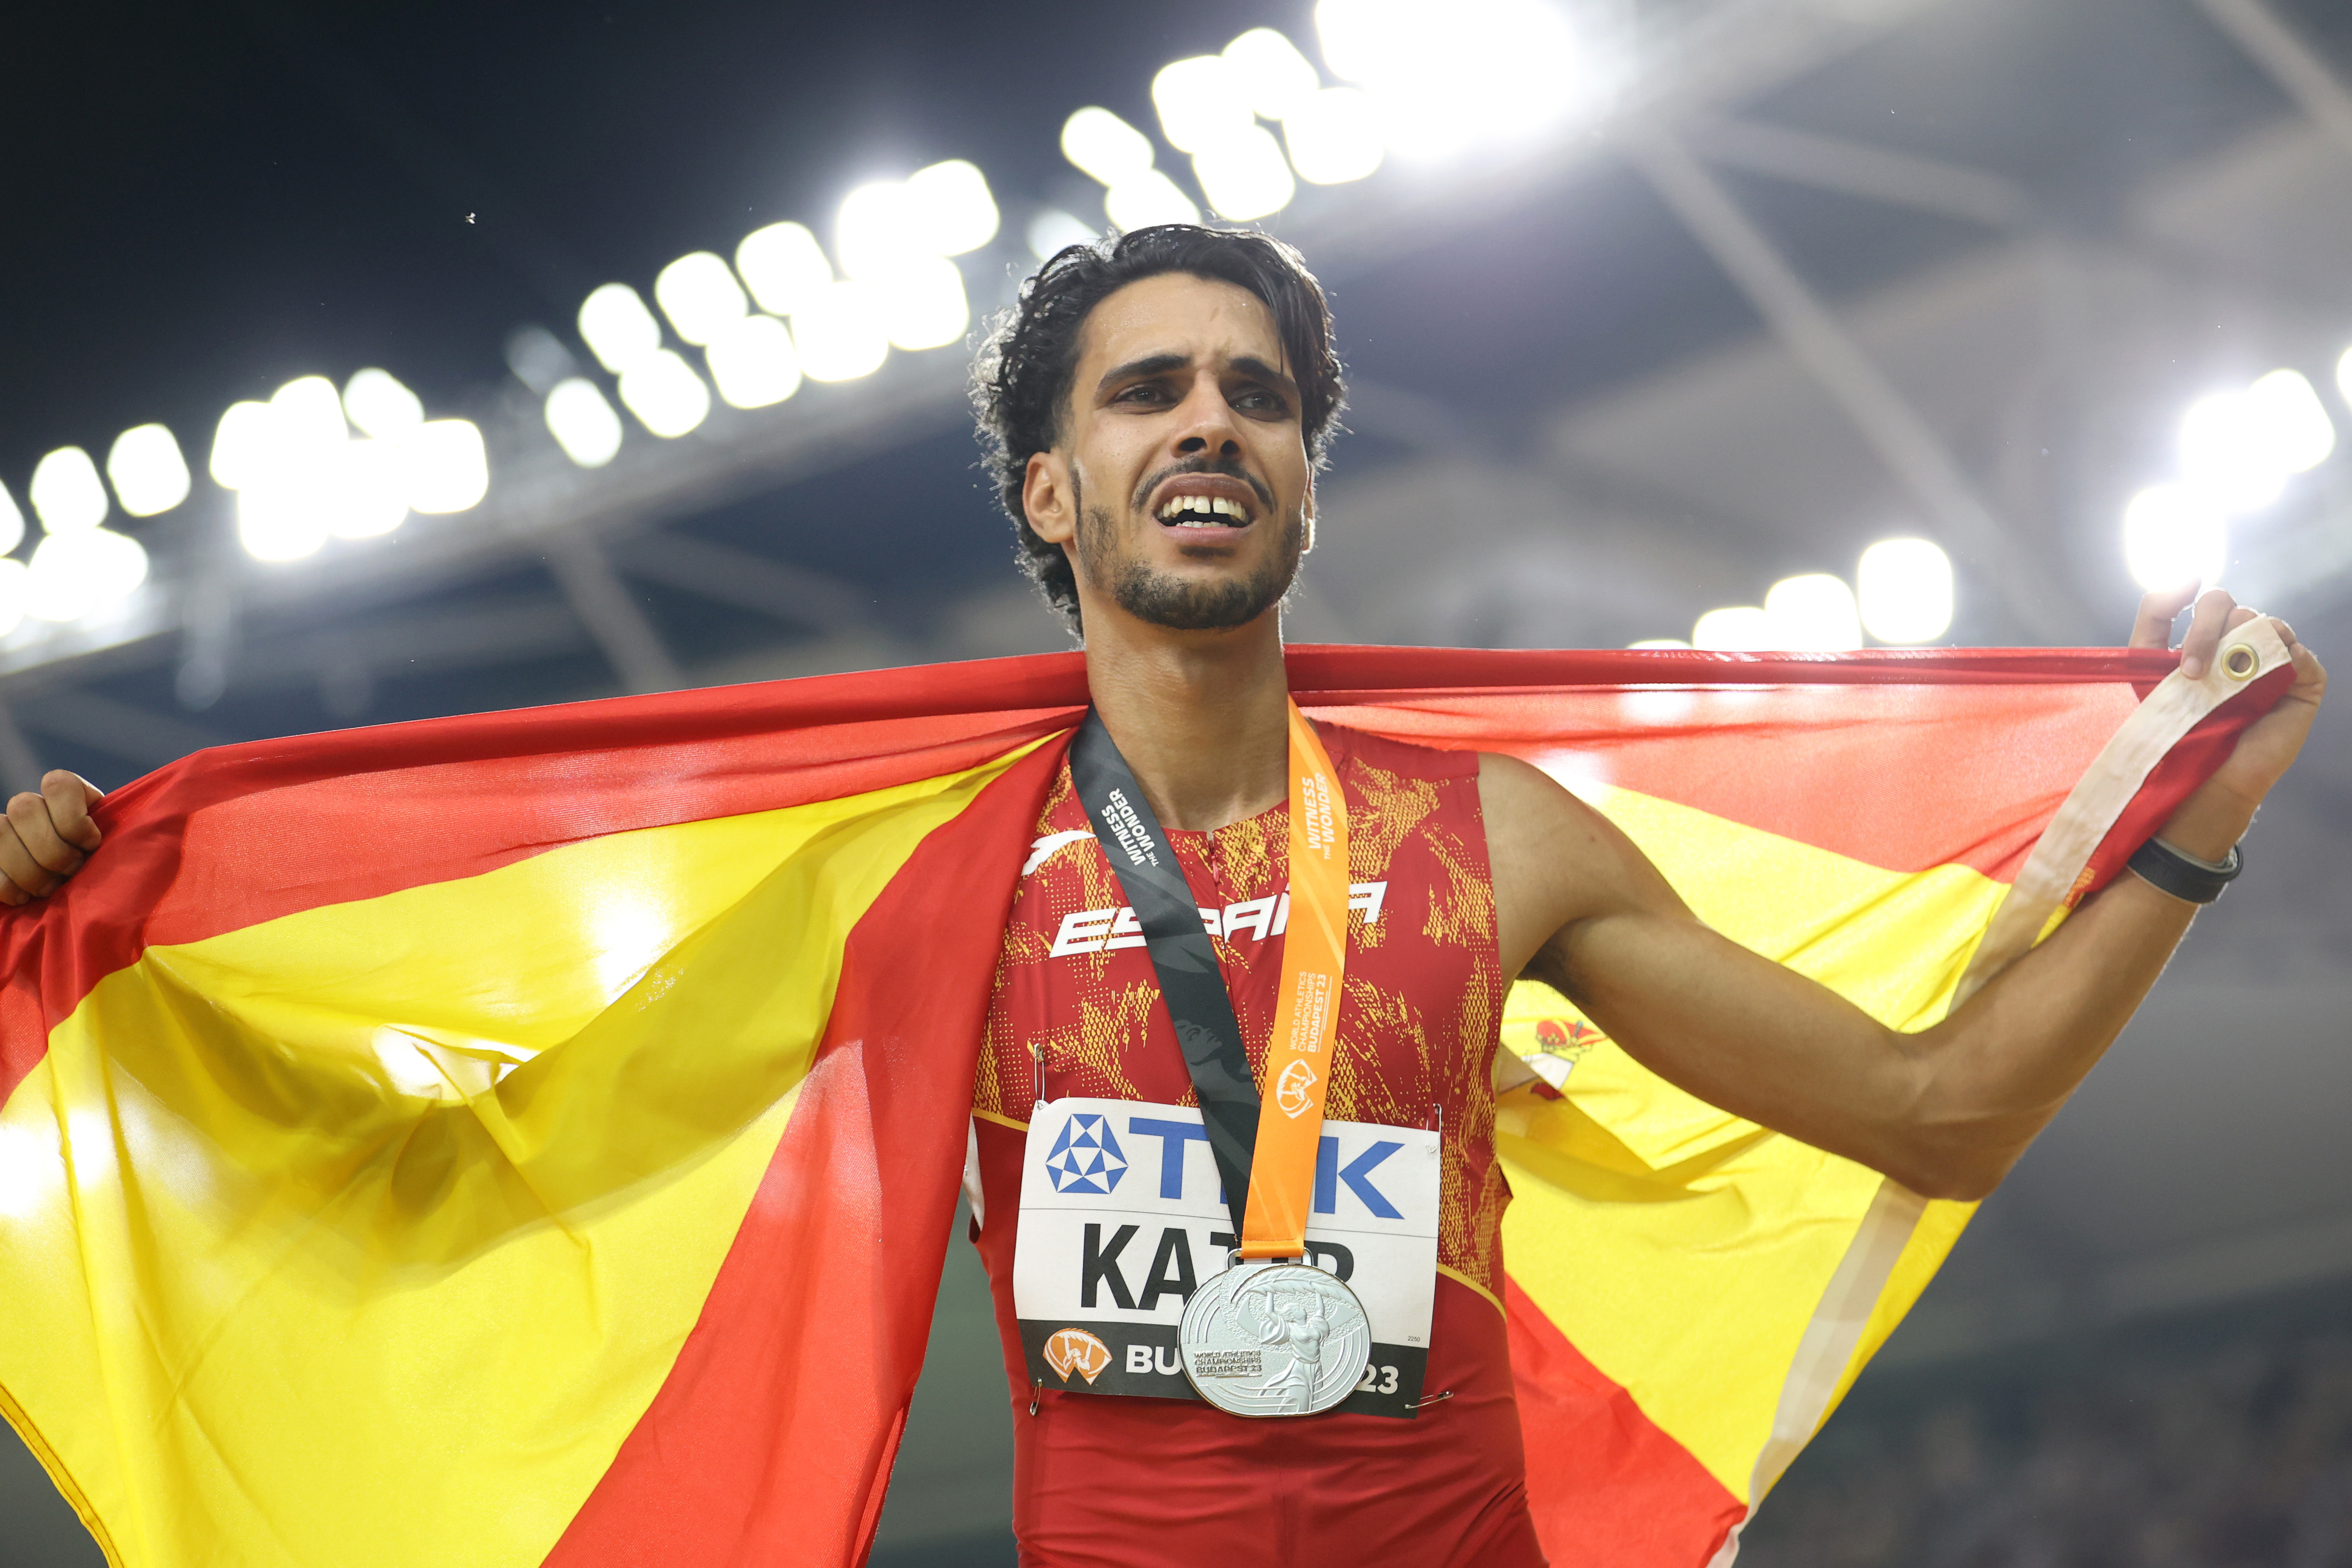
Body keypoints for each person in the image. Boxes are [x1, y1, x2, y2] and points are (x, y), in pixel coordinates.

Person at [0, 226, 2327, 1568]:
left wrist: (2203, 807)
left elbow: (1938, 1111)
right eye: (1142, 396)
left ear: (1305, 473)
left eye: (1254, 390)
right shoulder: (927, 881)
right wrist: (89, 958)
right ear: (1053, 490)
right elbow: (471, 1168)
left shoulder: (1492, 838)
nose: (1202, 421)